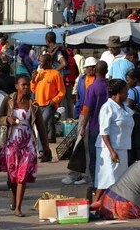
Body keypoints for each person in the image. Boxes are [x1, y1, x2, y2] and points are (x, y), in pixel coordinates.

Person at [0, 74, 51, 217]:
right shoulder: (8, 100)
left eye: (28, 85)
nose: (26, 87)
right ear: (17, 86)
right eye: (23, 85)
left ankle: (18, 208)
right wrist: (7, 119)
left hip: (28, 144)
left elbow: (41, 127)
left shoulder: (33, 105)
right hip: (11, 143)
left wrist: (46, 147)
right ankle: (14, 196)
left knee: (22, 176)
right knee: (12, 177)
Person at [94, 79, 135, 202]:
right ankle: (95, 203)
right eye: (125, 91)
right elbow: (104, 132)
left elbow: (127, 123)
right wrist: (111, 151)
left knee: (118, 180)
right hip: (109, 148)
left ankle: (111, 205)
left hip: (122, 147)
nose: (127, 94)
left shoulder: (125, 107)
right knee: (107, 178)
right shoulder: (107, 107)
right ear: (118, 93)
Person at [62, 57, 98, 186]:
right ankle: (74, 174)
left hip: (93, 117)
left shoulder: (99, 81)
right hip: (83, 115)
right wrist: (77, 114)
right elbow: (77, 96)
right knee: (78, 145)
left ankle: (87, 176)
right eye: (90, 67)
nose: (92, 69)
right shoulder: (81, 79)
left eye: (94, 67)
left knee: (88, 147)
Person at [80, 61, 110, 181]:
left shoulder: (92, 88)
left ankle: (95, 183)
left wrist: (83, 126)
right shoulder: (111, 86)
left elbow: (88, 109)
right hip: (110, 127)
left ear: (95, 72)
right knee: (108, 156)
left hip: (95, 127)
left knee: (94, 157)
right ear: (107, 71)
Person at [31, 54, 65, 151]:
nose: (40, 63)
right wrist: (33, 79)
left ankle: (41, 151)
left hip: (49, 105)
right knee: (40, 127)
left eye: (42, 61)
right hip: (38, 104)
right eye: (40, 61)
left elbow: (62, 91)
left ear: (49, 63)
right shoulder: (39, 73)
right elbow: (33, 89)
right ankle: (45, 151)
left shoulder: (56, 74)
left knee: (42, 125)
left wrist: (53, 101)